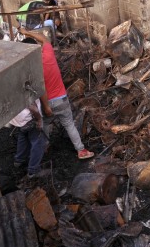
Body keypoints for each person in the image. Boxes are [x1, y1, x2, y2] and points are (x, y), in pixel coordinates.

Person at [19, 28, 94, 160]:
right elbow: (43, 38)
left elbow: (40, 89)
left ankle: (44, 147)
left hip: (46, 102)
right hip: (61, 99)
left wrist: (47, 107)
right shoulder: (48, 53)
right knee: (69, 124)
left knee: (45, 124)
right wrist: (27, 32)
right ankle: (81, 150)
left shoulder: (30, 68)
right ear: (37, 46)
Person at [10, 99, 48, 178]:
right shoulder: (25, 86)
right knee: (38, 142)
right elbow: (31, 105)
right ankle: (33, 170)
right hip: (29, 117)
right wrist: (39, 119)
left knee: (23, 134)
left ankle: (19, 160)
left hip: (17, 118)